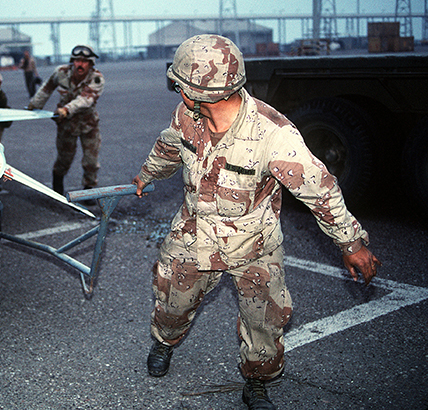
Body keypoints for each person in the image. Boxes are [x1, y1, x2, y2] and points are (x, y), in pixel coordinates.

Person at [131, 34, 381, 410]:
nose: (177, 91)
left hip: (253, 243)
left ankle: (258, 381)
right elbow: (169, 146)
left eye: (178, 84)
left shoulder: (273, 134)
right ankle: (164, 341)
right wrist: (147, 174)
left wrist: (352, 244)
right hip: (193, 231)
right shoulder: (187, 116)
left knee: (264, 321)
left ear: (192, 91)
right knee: (171, 305)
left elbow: (320, 189)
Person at [27, 45, 105, 196]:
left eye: (84, 61)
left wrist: (66, 109)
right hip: (66, 125)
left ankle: (89, 189)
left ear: (90, 64)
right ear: (72, 61)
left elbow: (85, 99)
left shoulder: (96, 78)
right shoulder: (61, 72)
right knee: (64, 159)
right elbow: (46, 89)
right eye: (77, 60)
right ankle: (57, 186)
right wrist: (33, 106)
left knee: (91, 161)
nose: (80, 64)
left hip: (88, 124)